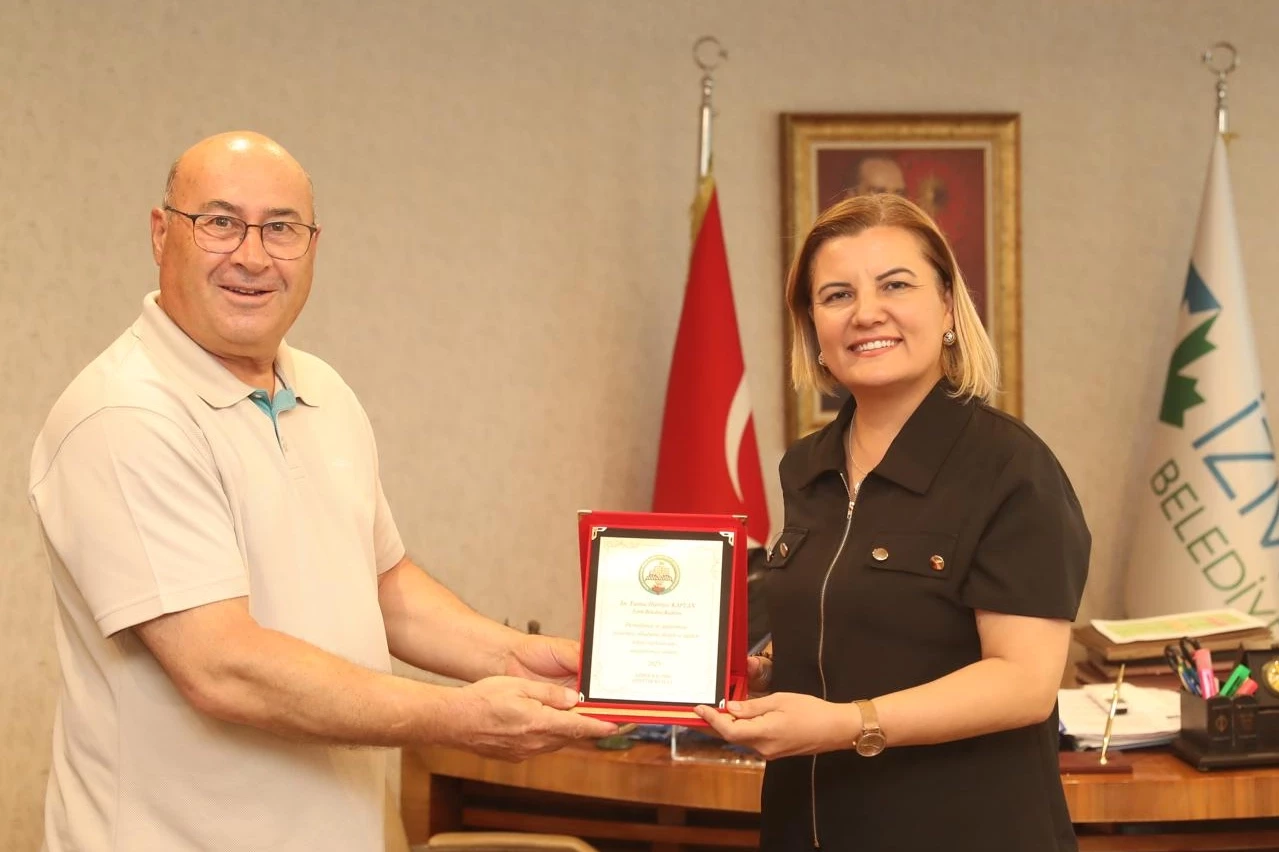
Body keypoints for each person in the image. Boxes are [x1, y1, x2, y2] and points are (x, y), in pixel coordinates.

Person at [27, 131, 616, 852]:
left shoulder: (322, 388)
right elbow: (222, 668)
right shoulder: (124, 414)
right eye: (220, 222)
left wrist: (511, 659)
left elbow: (383, 584)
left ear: (312, 245)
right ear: (160, 233)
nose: (252, 256)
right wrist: (458, 718)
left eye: (281, 228)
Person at [695, 193, 1090, 851]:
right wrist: (766, 668)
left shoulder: (1011, 467)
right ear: (813, 329)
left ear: (947, 306)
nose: (865, 313)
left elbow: (1023, 683)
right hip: (806, 829)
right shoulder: (805, 466)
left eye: (895, 285)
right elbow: (859, 620)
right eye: (837, 295)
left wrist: (848, 724)